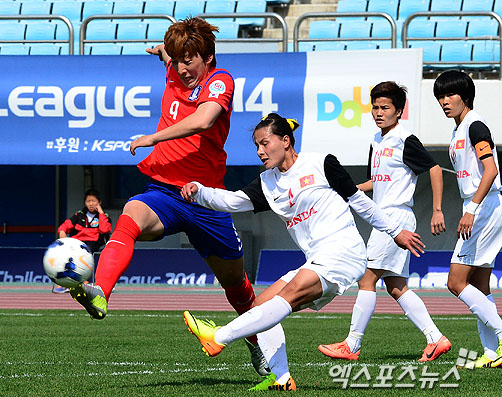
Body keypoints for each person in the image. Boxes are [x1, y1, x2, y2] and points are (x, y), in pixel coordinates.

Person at [68, 17, 269, 376]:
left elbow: (204, 120)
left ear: (207, 57)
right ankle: (100, 291)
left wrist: (153, 138)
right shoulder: (175, 69)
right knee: (130, 216)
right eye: (177, 61)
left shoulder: (220, 80)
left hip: (205, 200)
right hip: (164, 191)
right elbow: (169, 56)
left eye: (189, 59)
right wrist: (165, 51)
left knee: (237, 287)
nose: (182, 68)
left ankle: (257, 345)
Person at [181, 113, 425, 390]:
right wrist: (199, 191)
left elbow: (360, 202)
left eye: (265, 143)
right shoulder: (267, 182)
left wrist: (395, 231)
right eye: (256, 147)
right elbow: (233, 201)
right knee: (261, 306)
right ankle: (281, 378)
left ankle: (219, 336)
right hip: (317, 258)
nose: (260, 151)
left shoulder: (321, 163)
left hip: (344, 252)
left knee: (288, 294)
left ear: (285, 141)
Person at [318, 82, 451, 362]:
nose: (379, 112)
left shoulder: (405, 139)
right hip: (384, 216)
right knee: (396, 286)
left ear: (399, 111)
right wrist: (348, 190)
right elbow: (374, 182)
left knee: (366, 279)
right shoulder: (376, 141)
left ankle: (352, 344)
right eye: (375, 107)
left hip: (395, 217)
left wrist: (437, 209)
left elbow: (435, 168)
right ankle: (435, 338)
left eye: (385, 108)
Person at [433, 70, 502, 368]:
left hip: (484, 207)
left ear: (466, 96)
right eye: (440, 96)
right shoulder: (457, 129)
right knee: (480, 284)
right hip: (478, 205)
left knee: (455, 281)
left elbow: (491, 171)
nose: (444, 101)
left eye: (450, 95)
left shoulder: (475, 126)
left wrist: (471, 210)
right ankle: (491, 353)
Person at [52, 189, 112, 293]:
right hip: (76, 242)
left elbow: (105, 229)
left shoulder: (104, 217)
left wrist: (101, 212)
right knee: (62, 253)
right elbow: (65, 225)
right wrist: (62, 231)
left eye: (94, 201)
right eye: (88, 201)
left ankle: (82, 281)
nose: (91, 204)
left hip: (93, 243)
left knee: (83, 253)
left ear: (99, 202)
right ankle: (63, 282)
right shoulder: (79, 215)